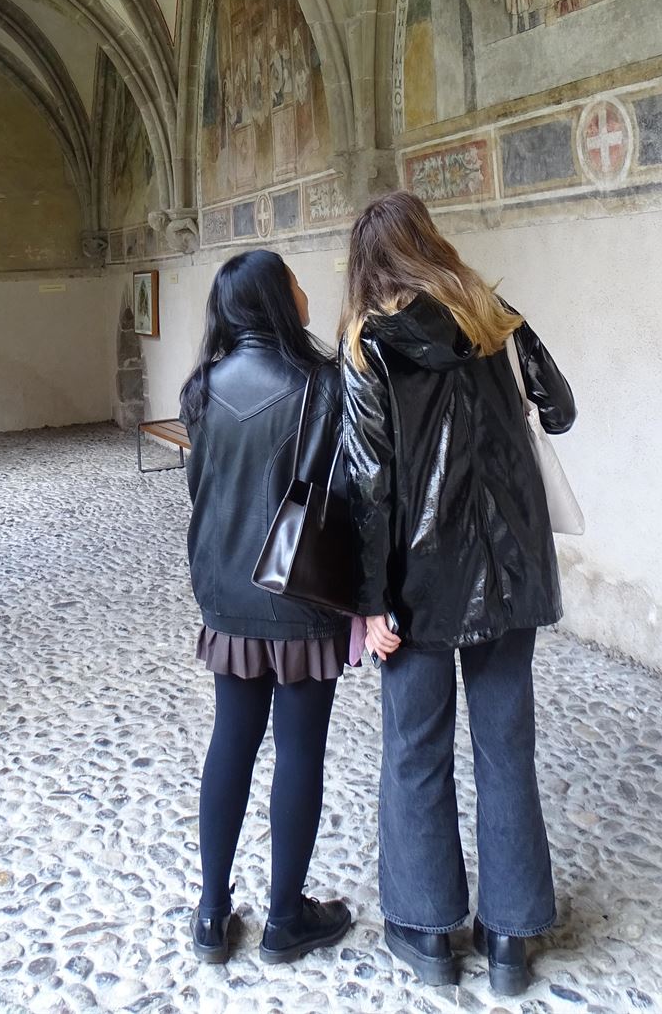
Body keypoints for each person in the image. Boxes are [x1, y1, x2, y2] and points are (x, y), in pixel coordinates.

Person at [338, 192, 576, 995]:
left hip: (417, 582)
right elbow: (562, 410)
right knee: (506, 750)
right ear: (429, 243)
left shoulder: (368, 345)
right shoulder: (495, 318)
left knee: (415, 748)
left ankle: (429, 931)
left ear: (367, 263)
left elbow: (369, 482)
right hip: (513, 567)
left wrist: (371, 598)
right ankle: (510, 941)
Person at [181, 250, 352, 967]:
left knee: (232, 740)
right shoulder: (324, 384)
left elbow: (203, 487)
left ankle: (211, 914)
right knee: (300, 750)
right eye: (294, 281)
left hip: (226, 589)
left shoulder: (201, 387)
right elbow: (344, 487)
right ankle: (285, 919)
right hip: (299, 589)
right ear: (277, 299)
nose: (305, 290)